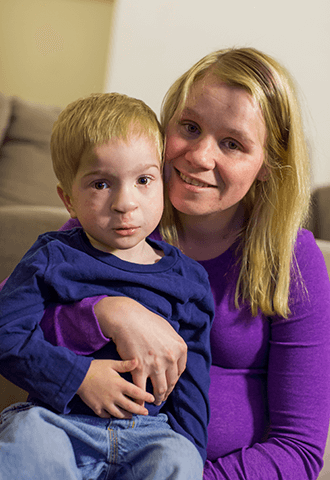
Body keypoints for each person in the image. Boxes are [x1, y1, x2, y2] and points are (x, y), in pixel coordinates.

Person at [1, 47, 330, 479]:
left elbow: (298, 449)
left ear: (267, 163)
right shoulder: (116, 219)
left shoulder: (294, 259)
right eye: (189, 127)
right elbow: (14, 319)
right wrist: (105, 313)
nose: (199, 156)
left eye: (232, 143)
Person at [0, 93, 214, 479]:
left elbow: (193, 379)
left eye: (144, 180)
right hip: (58, 421)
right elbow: (6, 333)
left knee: (178, 458)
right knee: (27, 434)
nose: (125, 203)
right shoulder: (52, 257)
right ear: (68, 200)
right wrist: (79, 376)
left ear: (162, 183)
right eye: (101, 184)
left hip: (148, 434)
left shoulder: (189, 280)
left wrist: (191, 451)